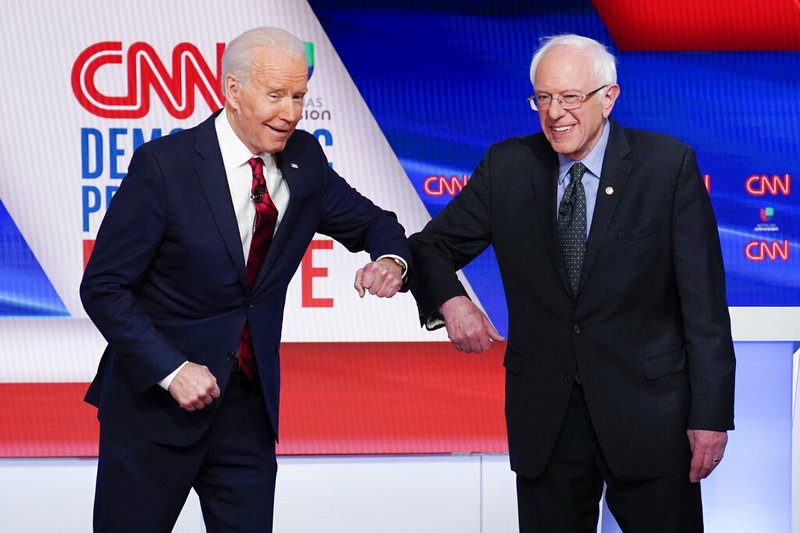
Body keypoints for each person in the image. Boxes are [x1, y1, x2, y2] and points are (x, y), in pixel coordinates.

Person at [80, 26, 411, 532]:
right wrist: (172, 370)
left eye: (299, 96)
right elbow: (103, 287)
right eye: (276, 95)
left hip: (246, 416)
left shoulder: (304, 160)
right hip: (154, 410)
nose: (291, 112)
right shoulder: (165, 167)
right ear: (233, 91)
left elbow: (374, 222)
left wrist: (391, 260)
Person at [409, 34, 735, 531]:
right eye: (542, 98)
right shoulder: (508, 167)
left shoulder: (667, 167)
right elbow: (430, 247)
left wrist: (710, 415)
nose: (554, 113)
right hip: (547, 420)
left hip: (650, 418)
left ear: (609, 97)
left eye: (569, 97)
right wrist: (452, 301)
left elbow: (705, 307)